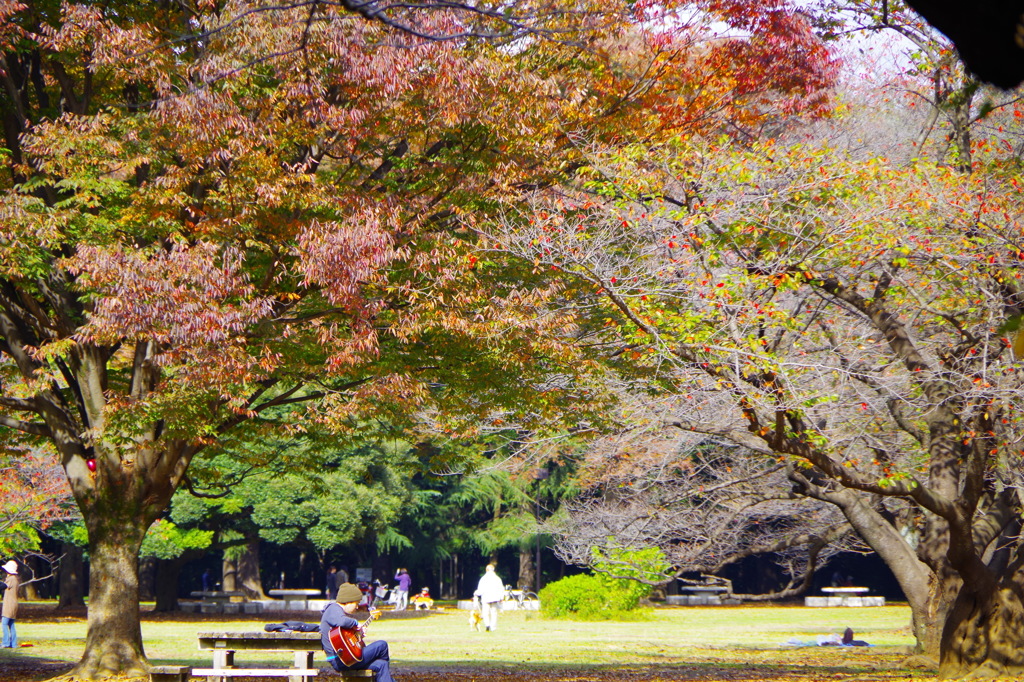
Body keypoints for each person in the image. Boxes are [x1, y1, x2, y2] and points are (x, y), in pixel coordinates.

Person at [320, 582, 396, 682]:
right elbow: (342, 621)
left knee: (381, 665)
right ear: (348, 601)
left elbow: (344, 641)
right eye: (356, 603)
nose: (357, 607)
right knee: (382, 645)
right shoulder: (333, 609)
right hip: (341, 660)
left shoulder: (337, 612)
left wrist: (358, 637)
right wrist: (356, 623)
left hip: (346, 658)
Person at [473, 564, 504, 632]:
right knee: (494, 613)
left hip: (486, 598)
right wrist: (501, 597)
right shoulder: (497, 578)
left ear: (486, 570)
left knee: (485, 612)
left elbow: (480, 589)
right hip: (495, 598)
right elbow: (501, 589)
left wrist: (476, 593)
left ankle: (487, 625)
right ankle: (493, 627)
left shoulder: (483, 579)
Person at [2, 560, 18, 648]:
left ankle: (6, 642)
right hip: (14, 604)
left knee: (4, 623)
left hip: (9, 604)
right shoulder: (14, 579)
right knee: (11, 624)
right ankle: (13, 643)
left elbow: (2, 586)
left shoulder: (11, 579)